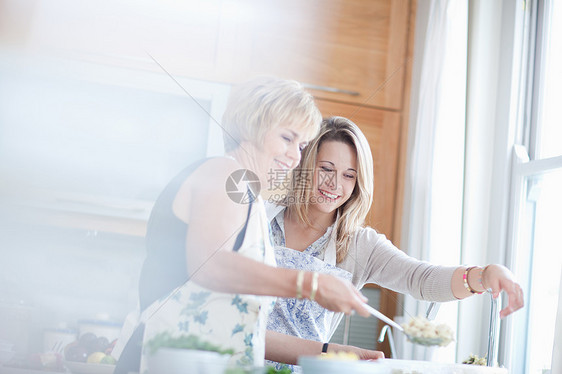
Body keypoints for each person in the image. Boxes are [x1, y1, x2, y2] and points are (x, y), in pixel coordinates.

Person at [112, 79, 373, 373]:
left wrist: (329, 351)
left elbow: (242, 321)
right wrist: (311, 284)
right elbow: (210, 266)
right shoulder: (225, 173)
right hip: (166, 360)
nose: (295, 156)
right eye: (287, 138)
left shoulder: (249, 195)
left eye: (301, 145)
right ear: (252, 127)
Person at [264, 116, 525, 368]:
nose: (334, 184)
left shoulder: (358, 244)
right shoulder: (260, 218)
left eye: (349, 175)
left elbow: (421, 279)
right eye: (326, 169)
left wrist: (483, 275)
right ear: (305, 165)